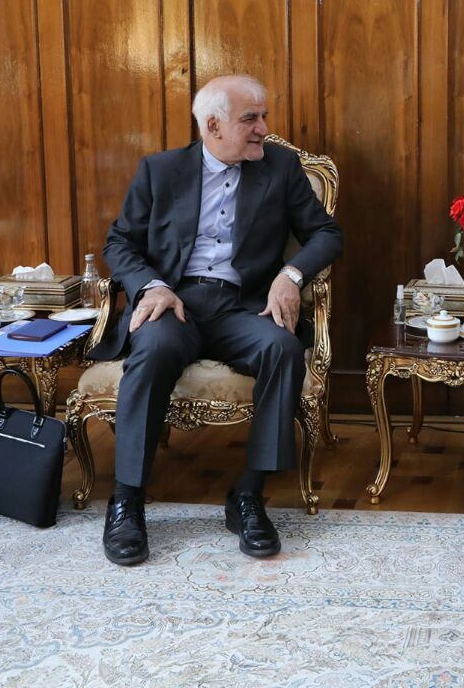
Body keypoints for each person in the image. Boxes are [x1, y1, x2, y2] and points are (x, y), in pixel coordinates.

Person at [88, 75, 343, 566]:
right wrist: (151, 285)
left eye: (263, 116)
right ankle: (127, 502)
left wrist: (290, 275)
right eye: (250, 119)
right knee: (154, 347)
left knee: (282, 348)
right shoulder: (161, 171)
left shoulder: (280, 167)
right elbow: (119, 242)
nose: (263, 128)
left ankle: (248, 496)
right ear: (212, 125)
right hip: (174, 301)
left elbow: (327, 234)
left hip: (243, 306)